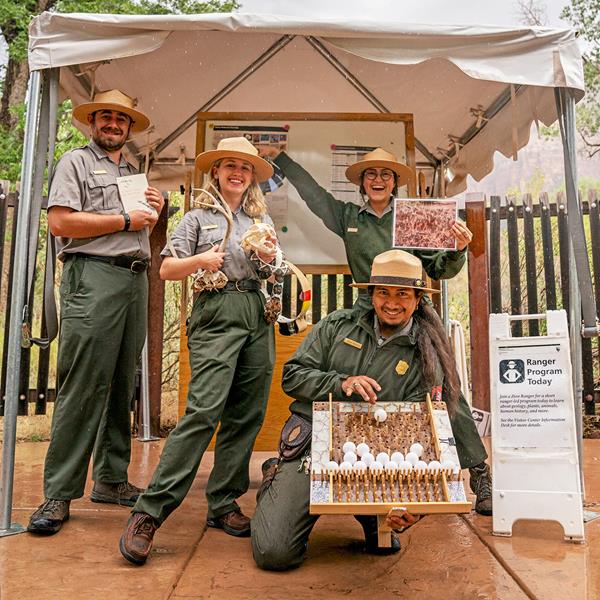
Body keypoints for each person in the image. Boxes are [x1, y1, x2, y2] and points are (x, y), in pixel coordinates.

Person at [251, 250, 491, 571]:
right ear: (372, 294)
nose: (392, 302)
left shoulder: (429, 354)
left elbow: (427, 435)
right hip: (314, 446)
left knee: (384, 534)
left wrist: (414, 507)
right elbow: (292, 376)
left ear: (418, 299)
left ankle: (372, 513)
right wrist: (340, 383)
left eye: (402, 294)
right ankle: (277, 476)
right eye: (384, 293)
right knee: (274, 553)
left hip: (380, 458)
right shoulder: (337, 327)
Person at [119, 136, 280, 566]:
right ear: (215, 172)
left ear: (251, 178)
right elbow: (167, 268)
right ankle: (148, 513)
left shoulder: (257, 220)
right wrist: (200, 262)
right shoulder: (195, 218)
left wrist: (270, 258)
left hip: (256, 313)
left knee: (247, 413)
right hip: (216, 310)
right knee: (205, 411)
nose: (237, 173)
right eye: (229, 165)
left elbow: (274, 268)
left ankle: (223, 502)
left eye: (244, 168)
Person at [27, 89, 165, 535]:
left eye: (120, 119)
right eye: (105, 117)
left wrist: (153, 213)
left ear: (128, 128)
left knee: (123, 383)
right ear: (92, 123)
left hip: (134, 277)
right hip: (93, 276)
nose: (112, 125)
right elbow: (61, 222)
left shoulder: (132, 171)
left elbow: (138, 224)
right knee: (84, 382)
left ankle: (110, 479)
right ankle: (58, 493)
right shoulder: (75, 163)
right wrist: (125, 220)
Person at [262, 146, 472, 311]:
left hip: (411, 310)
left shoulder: (412, 216)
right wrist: (281, 159)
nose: (378, 179)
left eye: (385, 174)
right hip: (367, 309)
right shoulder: (348, 216)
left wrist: (459, 249)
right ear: (362, 183)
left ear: (394, 183)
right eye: (370, 174)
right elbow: (314, 194)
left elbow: (439, 269)